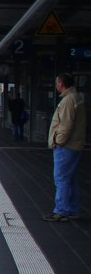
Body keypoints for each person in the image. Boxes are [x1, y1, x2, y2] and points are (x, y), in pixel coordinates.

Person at [44, 73, 86, 222]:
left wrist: (58, 141)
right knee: (70, 178)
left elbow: (66, 124)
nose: (56, 85)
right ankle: (73, 209)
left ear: (61, 83)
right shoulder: (76, 97)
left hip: (67, 146)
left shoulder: (68, 100)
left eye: (57, 82)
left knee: (61, 178)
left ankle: (61, 211)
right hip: (75, 144)